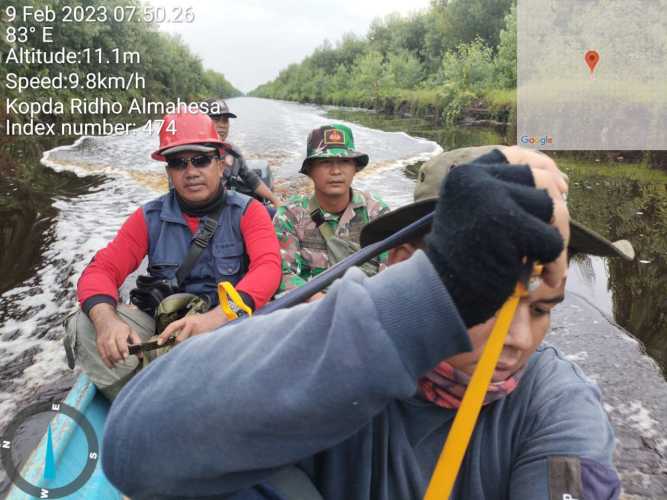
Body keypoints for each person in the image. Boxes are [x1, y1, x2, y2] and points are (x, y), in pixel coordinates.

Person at [102, 146, 628, 499]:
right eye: (489, 301)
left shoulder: (557, 405)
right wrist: (423, 303)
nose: (516, 341)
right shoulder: (320, 342)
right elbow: (132, 449)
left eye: (541, 309)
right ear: (406, 266)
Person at [64, 111, 282, 400]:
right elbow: (100, 270)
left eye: (201, 160)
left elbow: (268, 268)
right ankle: (140, 404)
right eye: (178, 163)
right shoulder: (148, 218)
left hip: (229, 327)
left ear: (220, 164)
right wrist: (107, 322)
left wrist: (215, 319)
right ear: (168, 172)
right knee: (83, 322)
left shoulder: (249, 212)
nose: (191, 171)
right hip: (166, 332)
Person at [274, 123, 390, 296]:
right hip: (313, 311)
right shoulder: (291, 215)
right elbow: (282, 275)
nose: (336, 171)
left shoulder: (375, 211)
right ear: (310, 170)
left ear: (354, 169)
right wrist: (321, 303)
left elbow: (392, 269)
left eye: (344, 161)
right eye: (325, 162)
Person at [206, 98, 282, 209]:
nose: (223, 125)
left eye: (225, 120)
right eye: (216, 119)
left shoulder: (233, 152)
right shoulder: (190, 155)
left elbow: (251, 178)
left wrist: (275, 200)